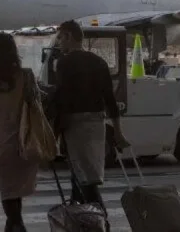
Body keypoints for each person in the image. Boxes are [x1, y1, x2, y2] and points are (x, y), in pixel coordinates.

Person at [53, 20, 130, 215]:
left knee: (85, 181)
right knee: (83, 177)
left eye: (61, 38)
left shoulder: (64, 63)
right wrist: (119, 134)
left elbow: (62, 99)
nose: (59, 43)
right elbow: (110, 101)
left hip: (75, 126)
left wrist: (54, 133)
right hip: (97, 124)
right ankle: (81, 218)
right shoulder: (99, 62)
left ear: (70, 36)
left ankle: (100, 219)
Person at [0, 32, 40, 232]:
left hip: (0, 146)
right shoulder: (26, 76)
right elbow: (36, 105)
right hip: (24, 144)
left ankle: (16, 224)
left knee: (7, 192)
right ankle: (16, 224)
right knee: (16, 193)